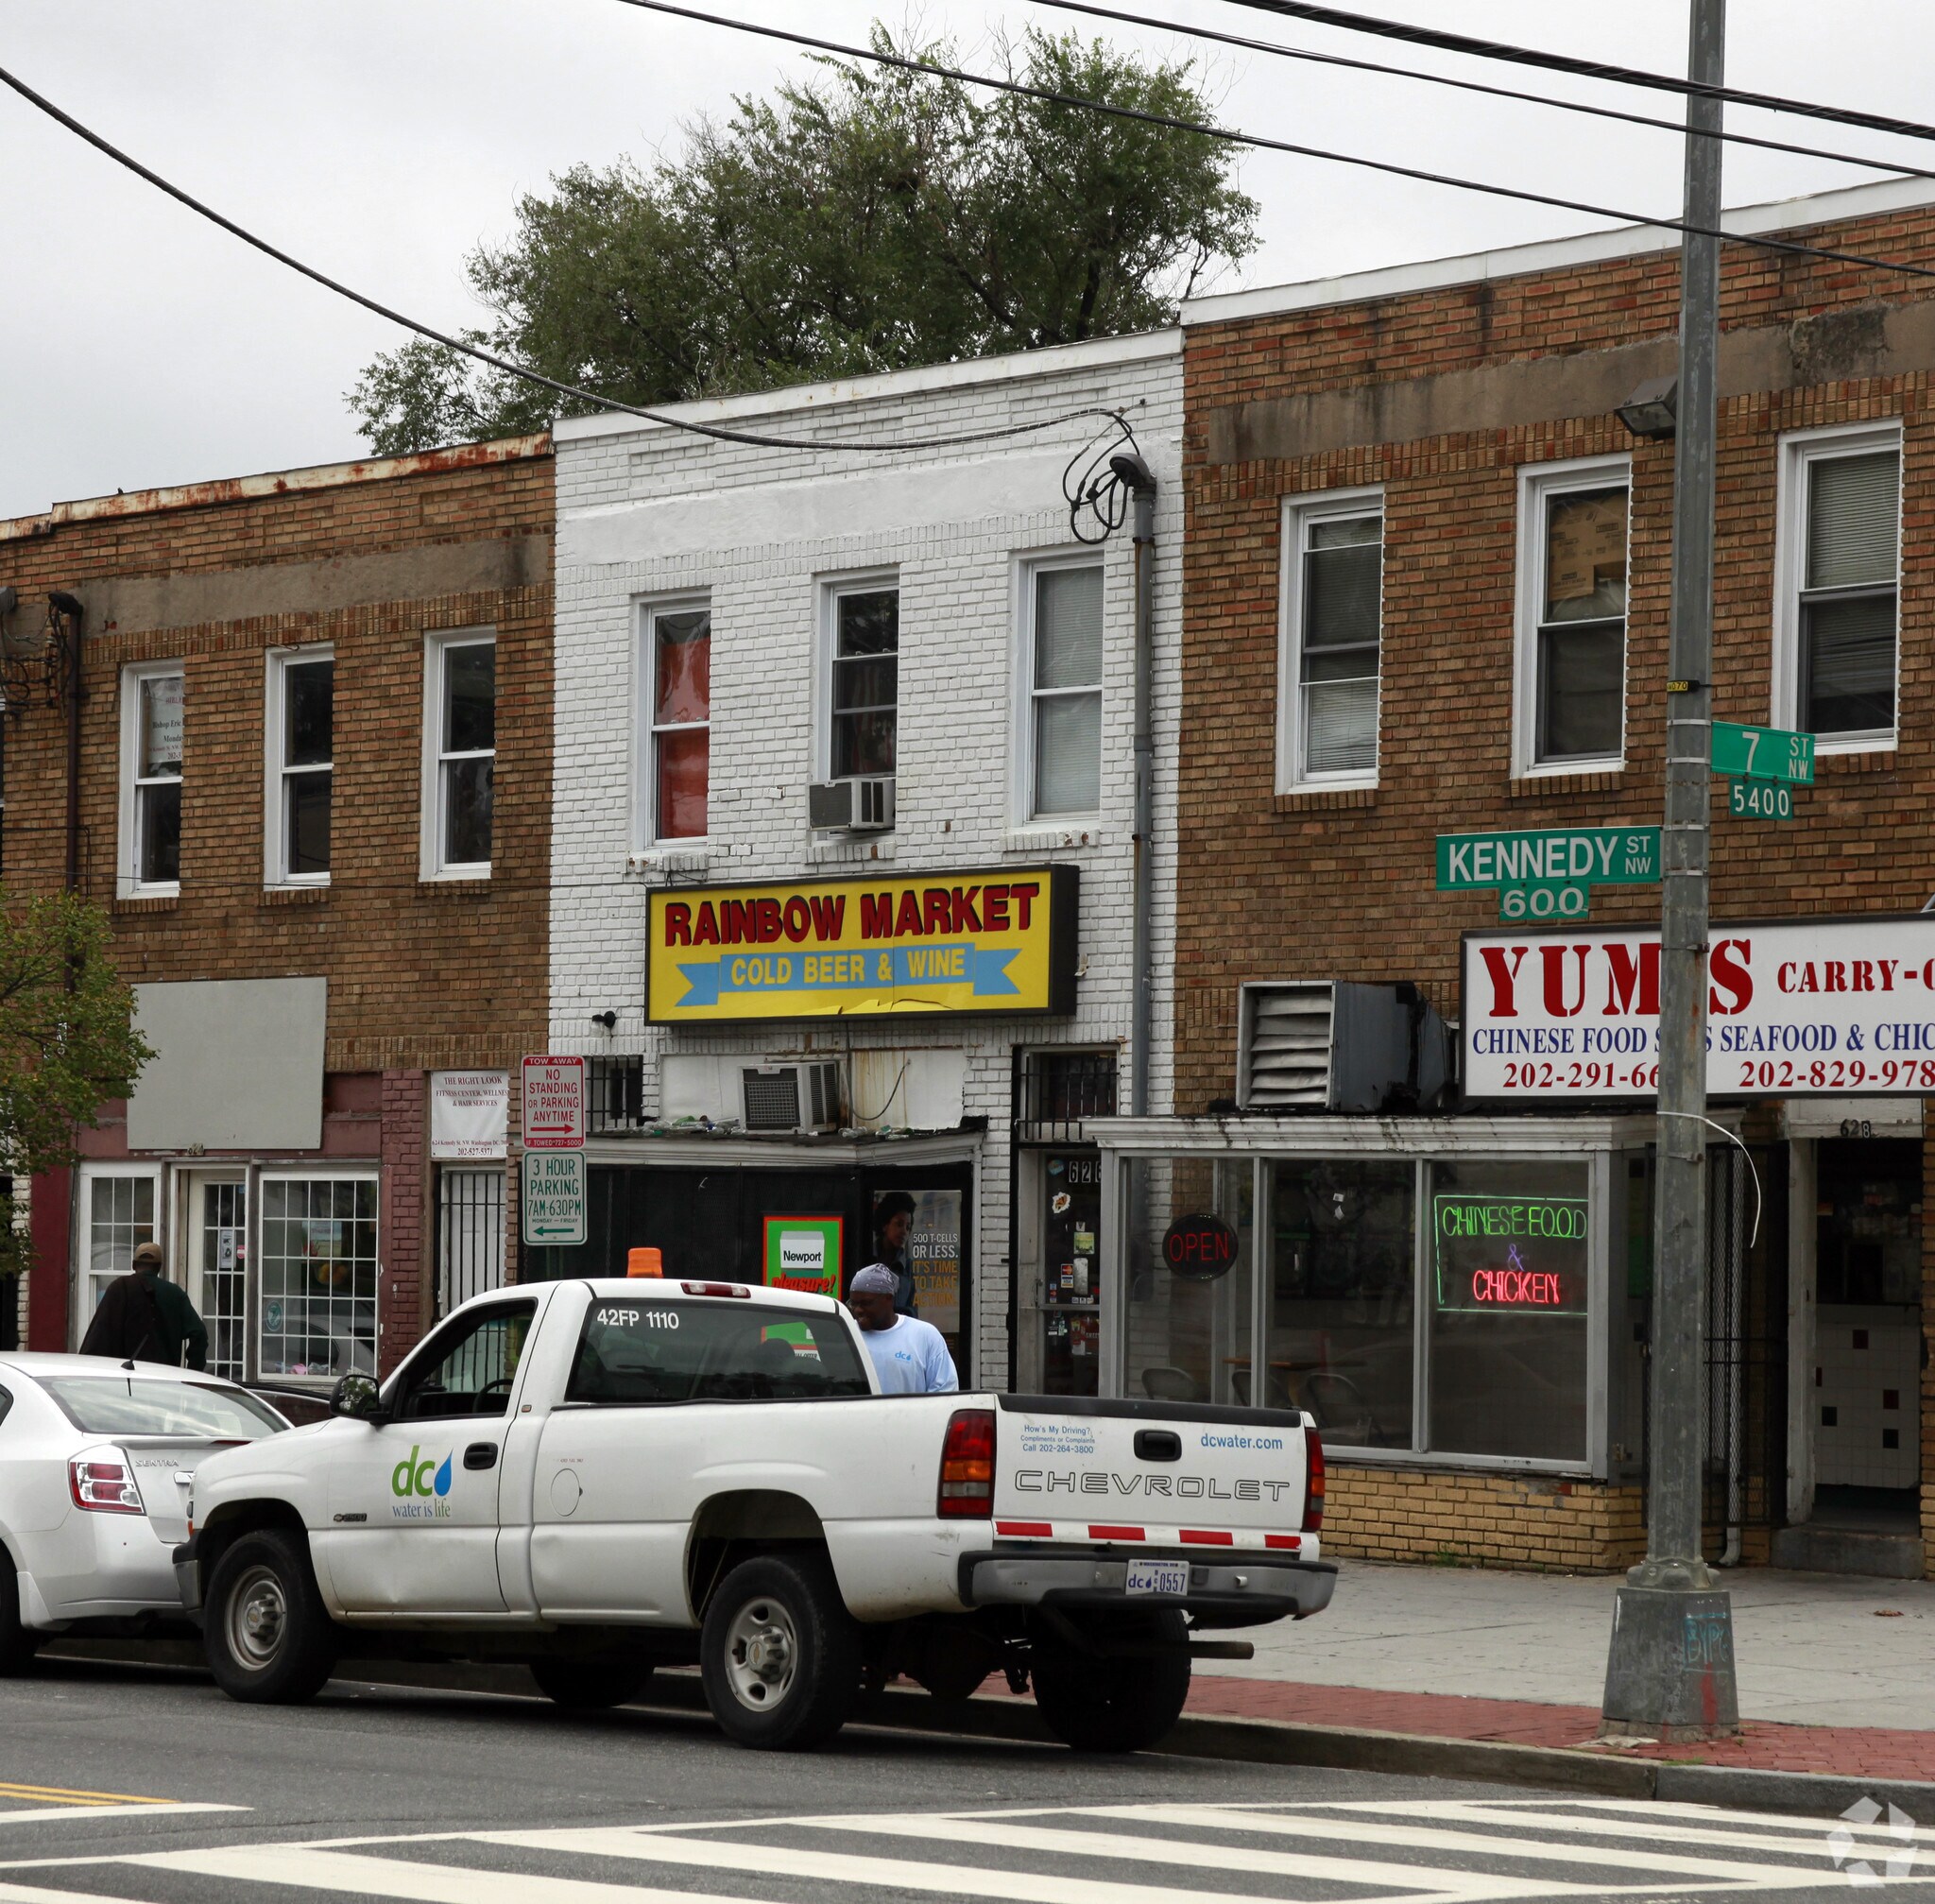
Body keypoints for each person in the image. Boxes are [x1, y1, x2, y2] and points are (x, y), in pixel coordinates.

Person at [79, 1241, 209, 1370]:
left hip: (125, 1374)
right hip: (165, 1375)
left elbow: (97, 1338)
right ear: (159, 1267)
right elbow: (199, 1333)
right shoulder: (175, 1293)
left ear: (133, 1264)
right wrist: (193, 1371)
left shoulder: (120, 1288)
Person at [846, 1264, 957, 1396]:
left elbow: (945, 1393)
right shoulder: (846, 1333)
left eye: (866, 1303)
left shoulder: (925, 1336)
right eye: (853, 1304)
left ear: (888, 1299)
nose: (858, 1310)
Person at [871, 1191, 918, 1316]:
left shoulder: (907, 1267)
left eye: (908, 1227)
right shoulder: (868, 1259)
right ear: (885, 1225)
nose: (904, 1232)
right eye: (899, 1224)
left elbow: (913, 1311)